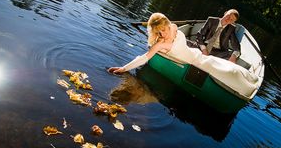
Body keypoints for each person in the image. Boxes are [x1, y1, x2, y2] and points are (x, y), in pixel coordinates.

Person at [108, 13, 258, 98]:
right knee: (230, 74)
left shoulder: (173, 27)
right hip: (197, 64)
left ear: (167, 24)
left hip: (200, 57)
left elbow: (174, 32)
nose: (164, 33)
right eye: (160, 31)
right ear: (156, 32)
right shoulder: (160, 44)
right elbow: (144, 58)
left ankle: (251, 79)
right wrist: (123, 68)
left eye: (165, 28)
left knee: (232, 69)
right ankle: (247, 85)